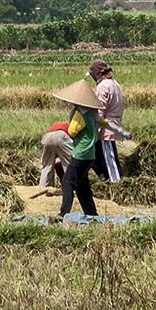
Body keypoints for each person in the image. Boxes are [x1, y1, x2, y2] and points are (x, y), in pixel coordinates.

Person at [48, 78, 115, 222]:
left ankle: (63, 214)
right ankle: (92, 214)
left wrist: (72, 118)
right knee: (82, 186)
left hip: (81, 153)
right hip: (90, 155)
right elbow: (103, 122)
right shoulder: (92, 113)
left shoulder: (80, 114)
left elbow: (72, 131)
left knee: (68, 182)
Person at [89, 60, 125, 181]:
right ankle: (106, 179)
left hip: (106, 130)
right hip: (114, 125)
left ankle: (116, 184)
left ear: (97, 74)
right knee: (103, 158)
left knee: (110, 161)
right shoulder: (115, 84)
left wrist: (95, 130)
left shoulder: (102, 87)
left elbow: (100, 111)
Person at [38, 120, 73, 189]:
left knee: (47, 165)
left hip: (47, 136)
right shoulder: (73, 127)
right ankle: (72, 188)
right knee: (70, 164)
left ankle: (43, 188)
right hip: (62, 135)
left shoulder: (62, 124)